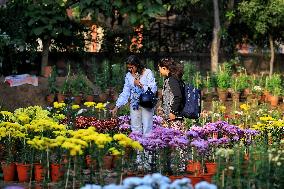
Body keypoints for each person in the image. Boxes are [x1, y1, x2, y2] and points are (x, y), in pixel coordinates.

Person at [111, 55, 157, 136]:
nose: (130, 69)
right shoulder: (128, 76)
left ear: (137, 65)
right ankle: (137, 148)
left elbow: (153, 89)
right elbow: (125, 92)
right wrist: (117, 106)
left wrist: (140, 85)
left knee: (147, 128)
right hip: (135, 104)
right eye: (128, 67)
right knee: (135, 128)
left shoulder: (147, 73)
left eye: (132, 67)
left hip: (147, 103)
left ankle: (148, 147)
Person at [158, 57, 185, 131]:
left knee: (176, 139)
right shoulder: (170, 79)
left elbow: (178, 96)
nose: (159, 70)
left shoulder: (172, 80)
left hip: (174, 117)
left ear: (164, 68)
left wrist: (173, 111)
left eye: (159, 68)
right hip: (170, 117)